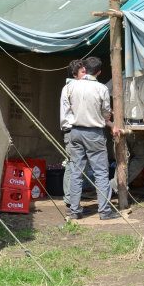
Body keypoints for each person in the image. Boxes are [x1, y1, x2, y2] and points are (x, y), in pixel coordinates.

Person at [64, 57, 120, 221]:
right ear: (99, 72)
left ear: (84, 69)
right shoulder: (101, 88)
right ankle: (104, 211)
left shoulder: (71, 86)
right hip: (94, 132)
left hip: (75, 131)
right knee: (101, 172)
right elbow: (106, 113)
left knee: (76, 171)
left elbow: (67, 109)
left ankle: (74, 210)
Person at [59, 59, 86, 204]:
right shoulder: (72, 87)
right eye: (83, 71)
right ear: (75, 74)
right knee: (72, 164)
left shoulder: (70, 86)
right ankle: (70, 198)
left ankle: (71, 197)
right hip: (71, 129)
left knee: (73, 164)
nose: (85, 74)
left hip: (71, 129)